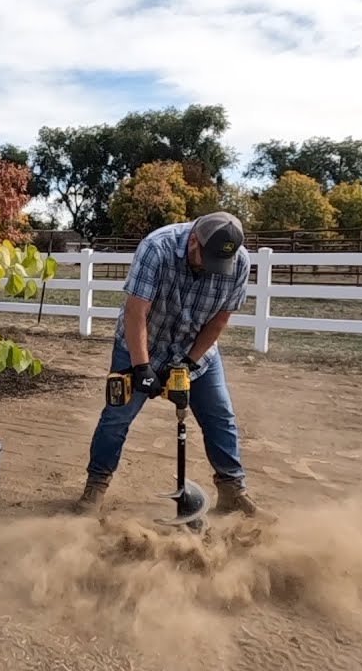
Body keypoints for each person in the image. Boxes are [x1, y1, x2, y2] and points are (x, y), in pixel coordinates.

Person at [74, 211, 268, 518]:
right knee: (116, 418)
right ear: (193, 242)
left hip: (195, 350)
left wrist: (188, 364)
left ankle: (233, 490)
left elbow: (220, 320)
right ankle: (95, 487)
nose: (213, 269)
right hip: (141, 344)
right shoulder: (157, 247)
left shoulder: (239, 261)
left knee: (220, 416)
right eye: (208, 260)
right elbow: (136, 311)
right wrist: (142, 368)